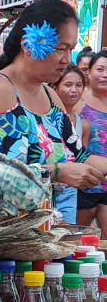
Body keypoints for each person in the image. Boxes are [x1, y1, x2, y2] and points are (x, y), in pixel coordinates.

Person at [0, 0, 107, 196]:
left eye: (70, 49)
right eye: (61, 49)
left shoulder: (51, 96)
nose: (67, 59)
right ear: (28, 45)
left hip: (38, 220)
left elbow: (79, 156)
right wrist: (56, 172)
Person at [53, 63, 90, 224]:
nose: (74, 90)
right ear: (54, 88)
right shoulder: (48, 119)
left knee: (66, 238)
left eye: (79, 85)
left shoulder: (83, 124)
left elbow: (83, 158)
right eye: (68, 85)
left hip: (69, 190)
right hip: (47, 186)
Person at [76, 50, 107, 234]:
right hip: (82, 181)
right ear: (89, 72)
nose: (105, 75)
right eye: (100, 69)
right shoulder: (77, 100)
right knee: (80, 239)